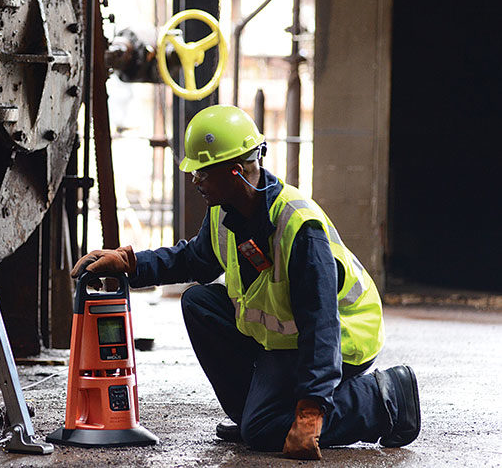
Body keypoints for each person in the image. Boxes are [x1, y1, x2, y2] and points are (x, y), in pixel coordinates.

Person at [71, 105, 420, 460]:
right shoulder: (224, 211)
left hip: (343, 340)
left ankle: (385, 397)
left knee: (265, 430)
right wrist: (129, 264)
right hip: (286, 342)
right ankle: (252, 414)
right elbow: (194, 259)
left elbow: (321, 325)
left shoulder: (299, 227)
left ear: (235, 172)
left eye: (203, 172)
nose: (195, 181)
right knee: (199, 303)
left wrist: (310, 412)